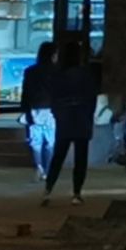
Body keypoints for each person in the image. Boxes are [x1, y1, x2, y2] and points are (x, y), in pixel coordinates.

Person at [41, 35, 103, 204]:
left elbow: (53, 96)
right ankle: (76, 192)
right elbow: (92, 97)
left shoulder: (58, 75)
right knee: (80, 159)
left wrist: (58, 113)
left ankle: (48, 189)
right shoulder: (86, 74)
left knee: (58, 155)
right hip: (82, 118)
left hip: (65, 118)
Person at [19, 39, 63, 195]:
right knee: (51, 142)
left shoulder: (31, 72)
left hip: (35, 109)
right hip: (52, 110)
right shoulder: (58, 72)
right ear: (53, 55)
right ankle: (48, 170)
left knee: (35, 142)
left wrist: (26, 111)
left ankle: (38, 167)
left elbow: (26, 93)